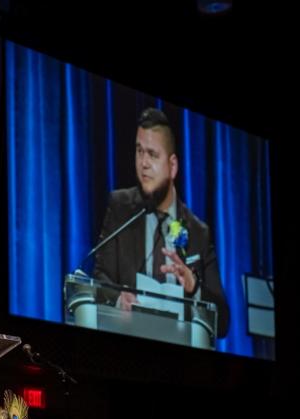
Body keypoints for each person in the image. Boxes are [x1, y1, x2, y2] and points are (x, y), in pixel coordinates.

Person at [93, 108, 230, 338]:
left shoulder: (198, 232)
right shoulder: (121, 207)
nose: (143, 163)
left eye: (152, 155)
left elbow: (223, 322)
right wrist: (118, 297)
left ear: (172, 165)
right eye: (139, 151)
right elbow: (99, 276)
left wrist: (193, 287)